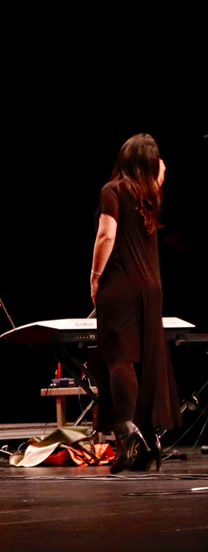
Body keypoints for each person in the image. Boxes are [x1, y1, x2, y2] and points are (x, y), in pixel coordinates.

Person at [89, 133, 177, 473]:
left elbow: (106, 235)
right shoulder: (151, 196)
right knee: (146, 358)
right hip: (152, 288)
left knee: (119, 357)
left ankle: (128, 433)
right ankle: (149, 438)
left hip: (121, 284)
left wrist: (96, 276)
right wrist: (159, 171)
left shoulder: (112, 191)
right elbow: (158, 176)